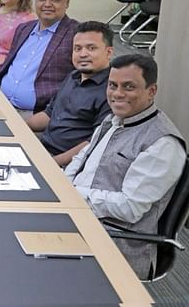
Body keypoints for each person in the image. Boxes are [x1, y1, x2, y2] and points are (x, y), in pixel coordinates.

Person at [64, 55, 186, 279]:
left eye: (129, 87)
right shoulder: (113, 120)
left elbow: (129, 208)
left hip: (120, 242)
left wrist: (71, 194)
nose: (117, 94)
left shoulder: (162, 143)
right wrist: (62, 187)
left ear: (151, 91)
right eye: (113, 85)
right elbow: (78, 162)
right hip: (81, 216)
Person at [27, 21, 114, 166]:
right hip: (42, 147)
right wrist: (17, 127)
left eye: (91, 48)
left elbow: (94, 143)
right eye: (77, 48)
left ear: (109, 52)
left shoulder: (112, 91)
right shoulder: (73, 76)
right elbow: (49, 114)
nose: (83, 54)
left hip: (66, 163)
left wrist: (51, 164)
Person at [0, 0, 79, 117]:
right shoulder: (24, 29)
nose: (47, 4)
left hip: (36, 115)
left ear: (68, 1)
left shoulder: (76, 34)